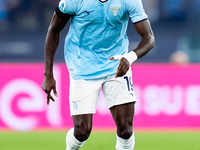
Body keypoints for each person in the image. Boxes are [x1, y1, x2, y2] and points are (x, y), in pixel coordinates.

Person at [41, 0, 155, 149]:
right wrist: (48, 74)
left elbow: (149, 37)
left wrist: (129, 57)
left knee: (125, 129)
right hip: (82, 67)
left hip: (116, 65)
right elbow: (54, 30)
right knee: (82, 132)